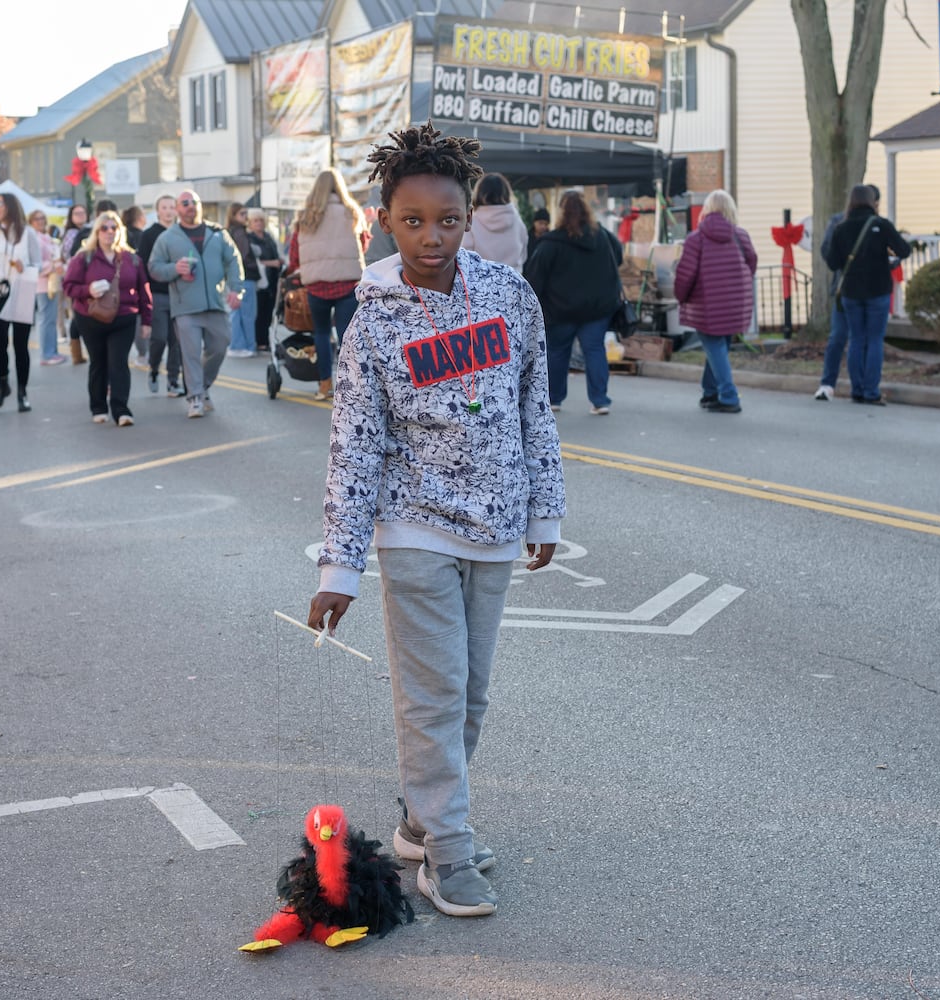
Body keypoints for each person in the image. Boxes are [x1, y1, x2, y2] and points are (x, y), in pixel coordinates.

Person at [307, 123, 565, 920]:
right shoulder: (373, 321)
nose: (431, 236)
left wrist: (544, 506)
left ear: (469, 219)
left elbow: (534, 407)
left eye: (446, 219)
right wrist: (340, 567)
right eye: (412, 220)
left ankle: (422, 822)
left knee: (472, 698)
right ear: (385, 221)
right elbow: (354, 449)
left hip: (493, 529)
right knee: (434, 695)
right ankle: (447, 854)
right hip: (413, 529)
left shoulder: (510, 296)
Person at [146, 189, 243, 418]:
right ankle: (196, 397)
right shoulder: (167, 237)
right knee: (189, 354)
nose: (190, 206)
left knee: (220, 346)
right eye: (185, 203)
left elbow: (233, 261)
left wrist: (237, 290)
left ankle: (203, 386)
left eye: (194, 202)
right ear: (179, 209)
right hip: (185, 306)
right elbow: (153, 267)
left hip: (216, 303)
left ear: (200, 206)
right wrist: (174, 269)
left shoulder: (217, 233)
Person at [523, 191, 622, 415]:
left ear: (561, 212)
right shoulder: (602, 236)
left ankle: (555, 399)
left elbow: (535, 277)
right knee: (595, 350)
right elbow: (619, 256)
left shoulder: (551, 242)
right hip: (597, 308)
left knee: (557, 353)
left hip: (560, 310)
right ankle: (600, 400)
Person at [823, 184, 911, 406]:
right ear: (873, 202)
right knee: (874, 340)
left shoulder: (841, 228)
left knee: (856, 339)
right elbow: (904, 250)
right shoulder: (880, 225)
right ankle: (871, 391)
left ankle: (857, 390)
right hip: (878, 289)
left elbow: (832, 262)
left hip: (851, 292)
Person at [63, 211, 153, 426]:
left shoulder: (132, 259)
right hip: (91, 317)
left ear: (120, 231)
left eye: (114, 228)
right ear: (97, 232)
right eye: (104, 228)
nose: (109, 232)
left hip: (124, 318)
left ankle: (121, 410)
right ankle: (99, 406)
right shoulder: (84, 258)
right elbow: (68, 286)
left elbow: (144, 290)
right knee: (99, 362)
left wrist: (147, 320)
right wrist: (88, 290)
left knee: (119, 363)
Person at [673, 190, 758, 414]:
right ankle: (710, 392)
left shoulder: (696, 239)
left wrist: (680, 297)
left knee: (715, 348)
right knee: (719, 349)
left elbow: (686, 275)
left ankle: (729, 397)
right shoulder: (741, 236)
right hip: (736, 304)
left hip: (707, 306)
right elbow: (751, 264)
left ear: (707, 210)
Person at [288, 169, 368, 400]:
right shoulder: (351, 212)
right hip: (347, 282)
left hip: (317, 285)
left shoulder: (306, 216)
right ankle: (352, 386)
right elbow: (361, 246)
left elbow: (295, 253)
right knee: (347, 336)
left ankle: (325, 385)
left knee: (321, 333)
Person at [815, 184, 883, 401]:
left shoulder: (879, 225)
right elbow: (827, 252)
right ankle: (828, 383)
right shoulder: (838, 222)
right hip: (845, 288)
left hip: (870, 290)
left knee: (861, 339)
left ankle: (862, 386)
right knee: (839, 336)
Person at [0, 191, 42, 412]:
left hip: (22, 288)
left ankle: (22, 392)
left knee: (21, 344)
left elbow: (38, 264)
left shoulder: (27, 233)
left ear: (10, 207)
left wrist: (26, 268)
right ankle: (3, 384)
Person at [136, 194, 183, 395]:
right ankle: (154, 369)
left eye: (172, 207)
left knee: (177, 340)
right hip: (157, 293)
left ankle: (173, 380)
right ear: (158, 211)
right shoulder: (149, 235)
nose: (169, 211)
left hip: (180, 293)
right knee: (160, 338)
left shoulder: (182, 234)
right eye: (164, 207)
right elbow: (143, 266)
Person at [460, 173, 528, 271]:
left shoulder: (472, 222)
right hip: (512, 282)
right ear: (507, 194)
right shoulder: (518, 222)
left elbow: (464, 258)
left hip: (480, 283)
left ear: (478, 193)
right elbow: (523, 256)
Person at [29, 209, 66, 366]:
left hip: (53, 281)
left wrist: (57, 264)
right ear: (31, 221)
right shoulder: (33, 238)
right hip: (43, 283)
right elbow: (33, 263)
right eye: (36, 219)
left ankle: (52, 351)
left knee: (51, 318)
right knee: (45, 318)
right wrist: (51, 266)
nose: (40, 221)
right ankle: (47, 353)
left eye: (42, 218)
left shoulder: (46, 238)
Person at [224, 202, 260, 357]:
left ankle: (238, 344)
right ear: (234, 215)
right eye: (242, 214)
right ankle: (246, 345)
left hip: (235, 277)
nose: (246, 217)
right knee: (246, 313)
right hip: (246, 276)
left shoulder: (229, 232)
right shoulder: (239, 233)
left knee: (236, 312)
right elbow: (243, 255)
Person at [246, 208, 283, 353]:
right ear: (250, 223)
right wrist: (272, 263)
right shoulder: (250, 239)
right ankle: (259, 341)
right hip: (259, 280)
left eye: (261, 220)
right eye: (255, 221)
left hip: (273, 280)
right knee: (259, 312)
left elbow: (275, 254)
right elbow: (253, 260)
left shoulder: (268, 237)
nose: (259, 223)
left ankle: (265, 340)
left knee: (269, 312)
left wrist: (279, 262)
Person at [59, 204, 90, 365]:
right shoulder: (72, 234)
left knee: (80, 314)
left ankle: (77, 352)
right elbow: (68, 255)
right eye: (76, 213)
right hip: (76, 277)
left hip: (87, 278)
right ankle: (76, 352)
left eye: (82, 212)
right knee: (77, 314)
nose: (80, 216)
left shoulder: (89, 229)